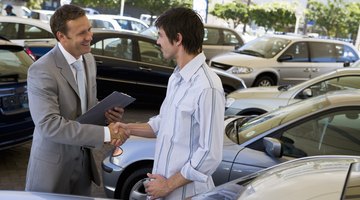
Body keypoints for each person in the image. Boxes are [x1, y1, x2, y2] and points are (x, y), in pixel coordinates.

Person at [119, 7, 225, 199]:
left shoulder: (207, 87)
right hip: (164, 192)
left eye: (160, 35)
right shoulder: (176, 78)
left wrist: (168, 185)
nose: (157, 41)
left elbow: (210, 154)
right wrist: (127, 128)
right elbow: (163, 124)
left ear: (178, 39)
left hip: (188, 195)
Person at [25, 4, 128, 196]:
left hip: (83, 164)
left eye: (89, 29)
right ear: (61, 36)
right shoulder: (41, 70)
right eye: (82, 33)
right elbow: (49, 125)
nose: (90, 37)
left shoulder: (88, 59)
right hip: (52, 170)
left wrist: (107, 114)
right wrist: (106, 133)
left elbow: (86, 108)